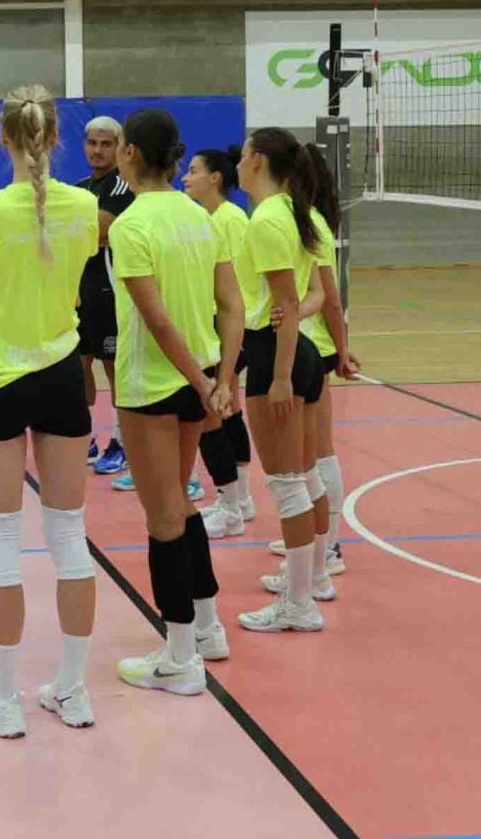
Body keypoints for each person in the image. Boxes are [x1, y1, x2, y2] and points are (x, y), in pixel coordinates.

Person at [0, 87, 99, 738]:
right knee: (68, 534)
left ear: (4, 138)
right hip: (63, 374)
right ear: (57, 138)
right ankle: (75, 689)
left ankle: (5, 700)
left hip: (2, 382)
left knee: (0, 540)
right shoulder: (88, 206)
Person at [107, 110, 244, 696]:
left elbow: (157, 321)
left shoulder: (131, 225)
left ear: (131, 153)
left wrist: (199, 381)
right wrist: (222, 379)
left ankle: (179, 659)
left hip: (155, 385)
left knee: (163, 518)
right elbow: (233, 305)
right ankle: (208, 629)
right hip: (203, 378)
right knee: (183, 510)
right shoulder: (201, 217)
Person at [234, 128, 330, 634]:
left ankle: (298, 606)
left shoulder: (268, 219)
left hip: (280, 357)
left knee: (287, 484)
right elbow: (305, 297)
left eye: (244, 152)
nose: (238, 159)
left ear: (257, 162)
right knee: (306, 476)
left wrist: (278, 378)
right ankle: (312, 581)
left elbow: (288, 304)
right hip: (298, 353)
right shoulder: (295, 212)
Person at [267, 148, 361, 586]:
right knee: (308, 457)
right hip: (306, 343)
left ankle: (330, 545)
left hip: (310, 348)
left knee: (317, 454)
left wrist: (341, 349)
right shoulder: (302, 220)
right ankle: (313, 541)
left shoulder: (309, 224)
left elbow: (329, 295)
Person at [186, 148, 260, 538]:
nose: (186, 177)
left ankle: (232, 504)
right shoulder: (209, 218)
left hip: (233, 328)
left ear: (216, 178)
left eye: (194, 171)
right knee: (226, 411)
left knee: (214, 411)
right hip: (221, 326)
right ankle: (240, 500)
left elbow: (235, 286)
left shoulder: (229, 221)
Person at [71, 116, 133, 477]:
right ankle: (88, 436)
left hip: (112, 291)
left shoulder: (123, 185)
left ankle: (122, 442)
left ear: (120, 146)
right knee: (79, 365)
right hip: (81, 291)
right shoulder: (80, 188)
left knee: (115, 368)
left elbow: (103, 226)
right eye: (92, 143)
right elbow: (78, 231)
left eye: (105, 144)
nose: (97, 150)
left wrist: (85, 228)